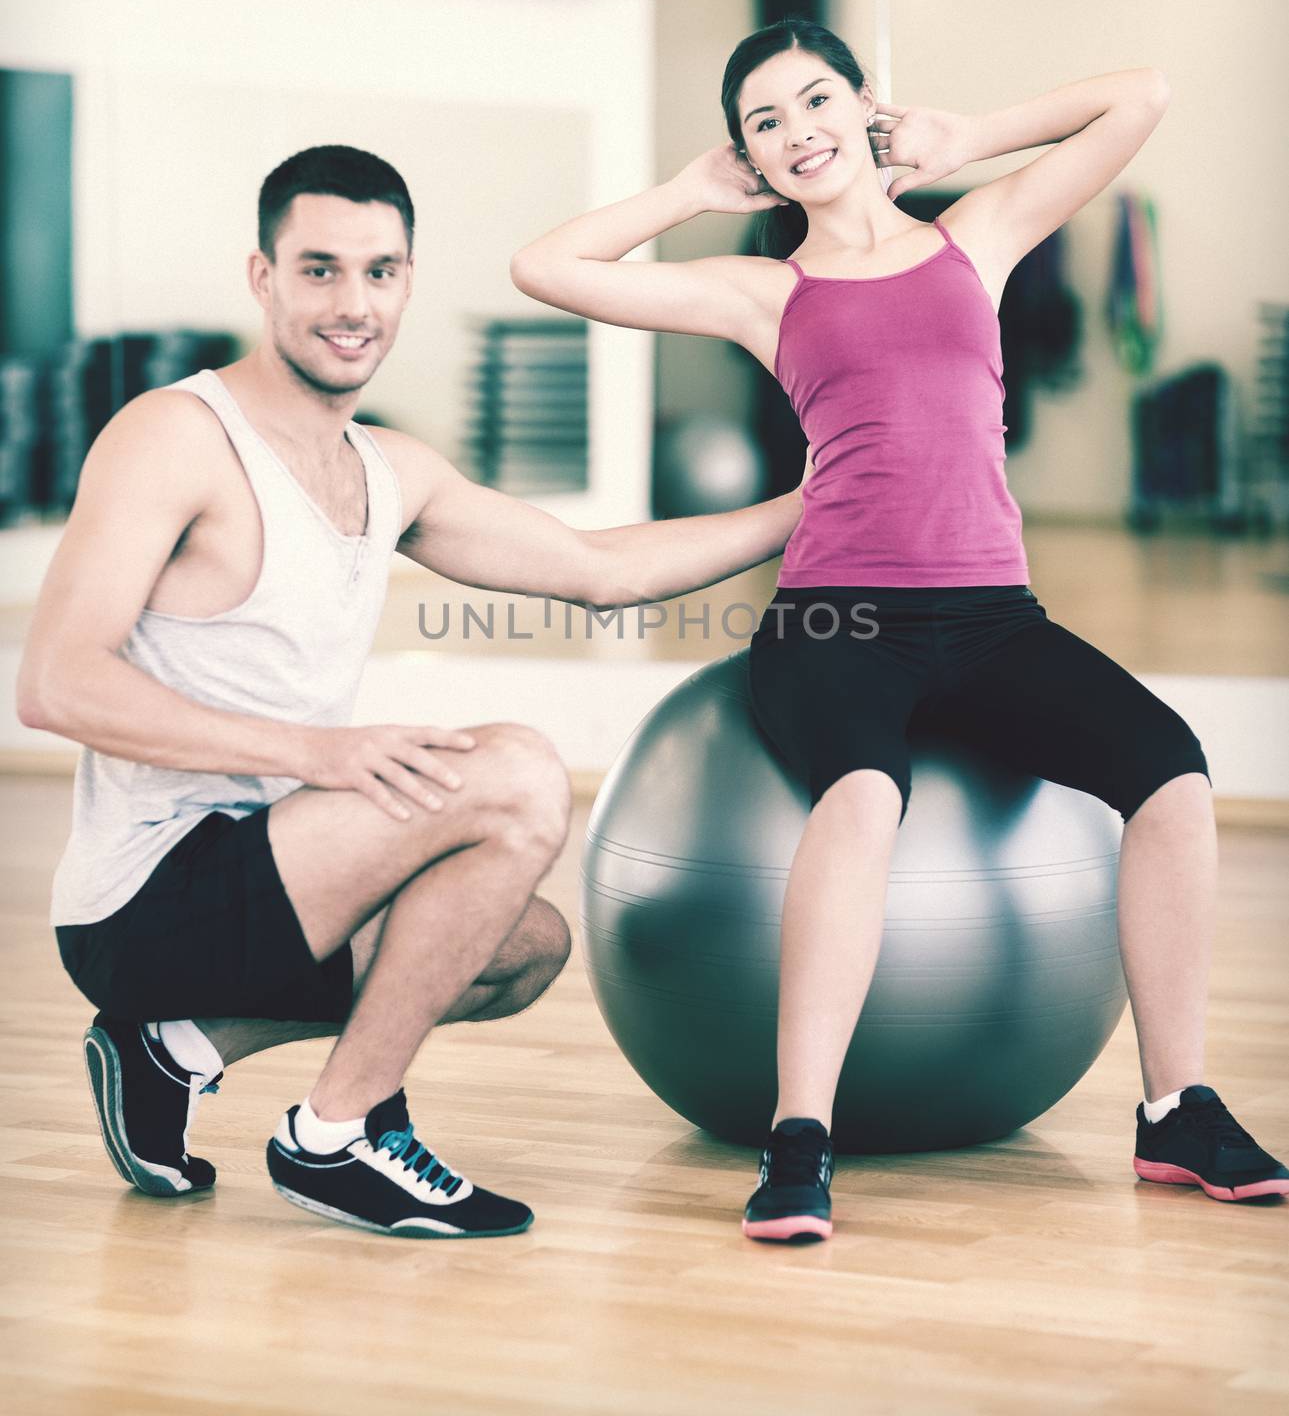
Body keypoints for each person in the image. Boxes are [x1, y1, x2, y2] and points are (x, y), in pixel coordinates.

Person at [510, 18, 1289, 1241]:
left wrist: (968, 136)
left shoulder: (972, 240)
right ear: (752, 163)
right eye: (763, 123)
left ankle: (1174, 1108)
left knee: (1173, 775)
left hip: (991, 620)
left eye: (813, 100)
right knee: (864, 795)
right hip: (838, 616)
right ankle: (798, 1136)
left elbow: (1139, 93)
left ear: (860, 106)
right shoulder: (763, 290)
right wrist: (682, 191)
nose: (795, 132)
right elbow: (546, 267)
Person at [16, 144, 807, 1240]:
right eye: (320, 270)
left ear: (408, 280)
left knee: (519, 947)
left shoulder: (391, 470)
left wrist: (822, 499)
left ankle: (174, 1047)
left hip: (281, 868)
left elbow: (601, 570)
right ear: (262, 277)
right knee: (519, 773)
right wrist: (316, 752)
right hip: (145, 897)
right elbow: (55, 684)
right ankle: (334, 1136)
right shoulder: (176, 438)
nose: (353, 304)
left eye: (379, 272)